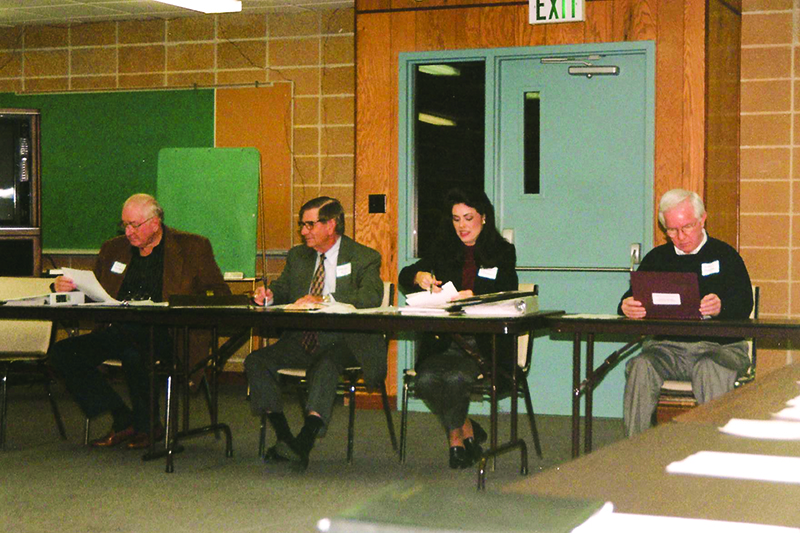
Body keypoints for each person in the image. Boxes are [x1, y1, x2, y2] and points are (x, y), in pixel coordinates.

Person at [49, 193, 230, 449]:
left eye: (135, 225)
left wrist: (182, 304)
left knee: (135, 351)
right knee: (62, 353)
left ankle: (146, 425)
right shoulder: (114, 248)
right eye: (125, 225)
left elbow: (219, 293)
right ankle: (125, 419)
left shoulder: (192, 247)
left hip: (170, 334)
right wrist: (63, 288)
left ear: (155, 223)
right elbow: (93, 292)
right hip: (119, 330)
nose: (129, 232)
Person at [244, 196, 385, 469]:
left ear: (331, 225)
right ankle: (286, 439)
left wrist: (323, 299)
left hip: (345, 341)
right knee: (257, 362)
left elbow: (370, 296)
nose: (303, 231)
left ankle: (304, 441)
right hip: (303, 339)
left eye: (310, 224)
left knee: (327, 364)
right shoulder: (298, 256)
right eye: (302, 225)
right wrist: (269, 295)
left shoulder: (363, 257)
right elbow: (284, 289)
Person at [398, 188, 518, 469]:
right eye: (456, 219)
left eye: (468, 218)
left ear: (484, 218)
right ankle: (467, 428)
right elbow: (405, 275)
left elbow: (508, 293)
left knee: (455, 380)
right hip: (445, 341)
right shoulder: (443, 250)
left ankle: (455, 440)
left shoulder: (502, 252)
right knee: (425, 381)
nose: (462, 226)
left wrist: (474, 297)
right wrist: (419, 276)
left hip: (482, 344)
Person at [618, 189, 753, 437]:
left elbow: (745, 303)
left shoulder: (726, 255)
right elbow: (630, 298)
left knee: (708, 368)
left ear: (702, 220)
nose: (680, 236)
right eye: (672, 230)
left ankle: (716, 451)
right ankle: (633, 449)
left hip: (720, 348)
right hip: (668, 348)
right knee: (640, 366)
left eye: (687, 227)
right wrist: (626, 305)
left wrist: (722, 306)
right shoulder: (657, 258)